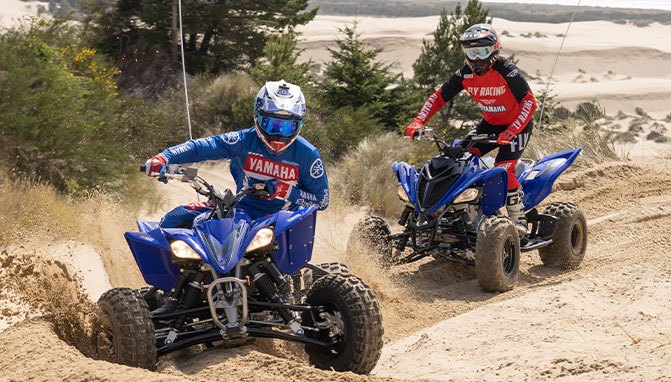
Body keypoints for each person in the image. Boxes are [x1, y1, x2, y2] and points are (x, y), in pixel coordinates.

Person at [145, 80, 329, 314]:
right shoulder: (242, 140)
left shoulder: (307, 155)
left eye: (287, 127)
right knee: (174, 220)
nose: (277, 134)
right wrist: (164, 158)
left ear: (299, 125)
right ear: (257, 117)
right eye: (270, 123)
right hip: (239, 211)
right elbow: (202, 146)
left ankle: (285, 290)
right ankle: (170, 292)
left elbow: (322, 200)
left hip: (281, 219)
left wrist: (286, 191)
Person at [405, 23, 536, 234]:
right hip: (490, 124)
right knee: (460, 158)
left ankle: (518, 218)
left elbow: (529, 103)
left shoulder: (507, 70)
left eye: (482, 51)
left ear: (494, 49)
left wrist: (511, 131)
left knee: (504, 167)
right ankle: (464, 212)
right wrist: (418, 121)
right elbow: (439, 97)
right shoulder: (465, 74)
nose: (476, 58)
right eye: (470, 52)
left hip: (517, 125)